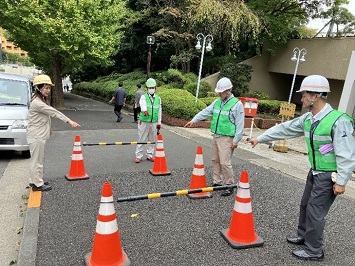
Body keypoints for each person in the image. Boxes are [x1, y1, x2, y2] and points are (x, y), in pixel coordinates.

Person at [248, 75, 355, 261]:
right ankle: (304, 235)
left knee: (315, 211)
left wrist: (342, 180)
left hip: (329, 174)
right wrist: (260, 138)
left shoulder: (339, 121)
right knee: (306, 205)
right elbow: (285, 129)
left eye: (304, 95)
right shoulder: (308, 119)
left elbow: (346, 153)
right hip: (314, 170)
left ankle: (314, 250)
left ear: (315, 96)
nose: (302, 99)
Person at [184, 77, 245, 196]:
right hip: (216, 135)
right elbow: (206, 111)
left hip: (227, 138)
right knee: (215, 160)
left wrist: (237, 139)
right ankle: (217, 182)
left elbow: (240, 124)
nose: (219, 94)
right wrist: (194, 120)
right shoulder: (217, 102)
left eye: (220, 92)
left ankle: (229, 184)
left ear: (228, 91)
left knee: (225, 162)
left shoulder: (237, 105)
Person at [27, 74, 80, 191]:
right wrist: (69, 120)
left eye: (49, 88)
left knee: (37, 160)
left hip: (37, 134)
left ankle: (35, 180)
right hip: (36, 136)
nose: (48, 90)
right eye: (46, 88)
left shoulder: (39, 99)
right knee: (37, 161)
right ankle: (37, 184)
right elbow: (54, 112)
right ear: (38, 88)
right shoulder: (38, 103)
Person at [135, 78, 162, 163]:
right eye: (150, 88)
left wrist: (159, 122)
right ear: (147, 88)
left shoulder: (158, 98)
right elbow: (142, 104)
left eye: (153, 87)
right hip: (144, 121)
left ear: (155, 88)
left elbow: (159, 111)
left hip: (153, 122)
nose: (151, 89)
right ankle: (138, 156)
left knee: (152, 139)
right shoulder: (144, 97)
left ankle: (150, 155)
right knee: (142, 138)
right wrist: (144, 110)